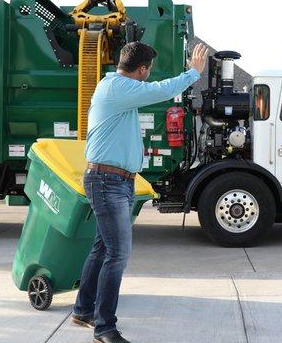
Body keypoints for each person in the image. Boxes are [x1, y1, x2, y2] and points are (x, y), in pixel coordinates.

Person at [71, 41, 209, 343]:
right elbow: (159, 90)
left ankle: (83, 310)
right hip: (107, 182)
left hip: (114, 181)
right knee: (117, 253)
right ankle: (105, 327)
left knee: (103, 249)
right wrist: (192, 73)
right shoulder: (118, 88)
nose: (149, 75)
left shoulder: (118, 90)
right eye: (149, 71)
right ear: (142, 69)